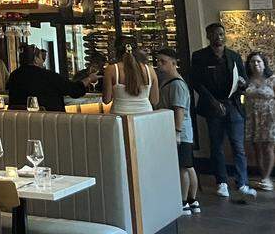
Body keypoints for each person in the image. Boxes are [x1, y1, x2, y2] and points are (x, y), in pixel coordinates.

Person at [191, 23, 254, 199]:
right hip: (213, 106)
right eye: (214, 34)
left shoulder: (233, 56)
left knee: (238, 146)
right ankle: (222, 181)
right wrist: (212, 103)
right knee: (216, 145)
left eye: (221, 34)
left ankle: (242, 182)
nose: (218, 37)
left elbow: (244, 81)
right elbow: (196, 82)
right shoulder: (199, 56)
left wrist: (242, 84)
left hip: (232, 104)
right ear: (208, 36)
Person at [156, 48, 199, 215]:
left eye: (163, 61)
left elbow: (179, 109)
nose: (159, 65)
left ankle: (184, 201)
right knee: (187, 166)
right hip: (182, 131)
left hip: (181, 132)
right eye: (158, 61)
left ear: (174, 63)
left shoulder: (176, 84)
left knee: (184, 167)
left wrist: (176, 131)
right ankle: (191, 200)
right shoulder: (171, 82)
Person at [7, 43, 96, 111]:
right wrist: (89, 79)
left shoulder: (14, 76)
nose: (43, 62)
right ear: (36, 59)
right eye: (42, 58)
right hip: (51, 125)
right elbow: (74, 90)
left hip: (19, 125)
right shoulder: (47, 76)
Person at [243, 51, 275, 192]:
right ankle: (263, 176)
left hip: (270, 118)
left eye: (258, 61)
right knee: (257, 149)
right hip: (253, 119)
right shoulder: (247, 80)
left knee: (268, 148)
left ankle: (267, 177)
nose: (255, 64)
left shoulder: (273, 79)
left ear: (264, 64)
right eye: (252, 62)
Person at [102, 44, 159, 115]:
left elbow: (106, 100)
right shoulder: (150, 70)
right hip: (145, 116)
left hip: (120, 116)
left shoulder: (111, 69)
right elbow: (155, 100)